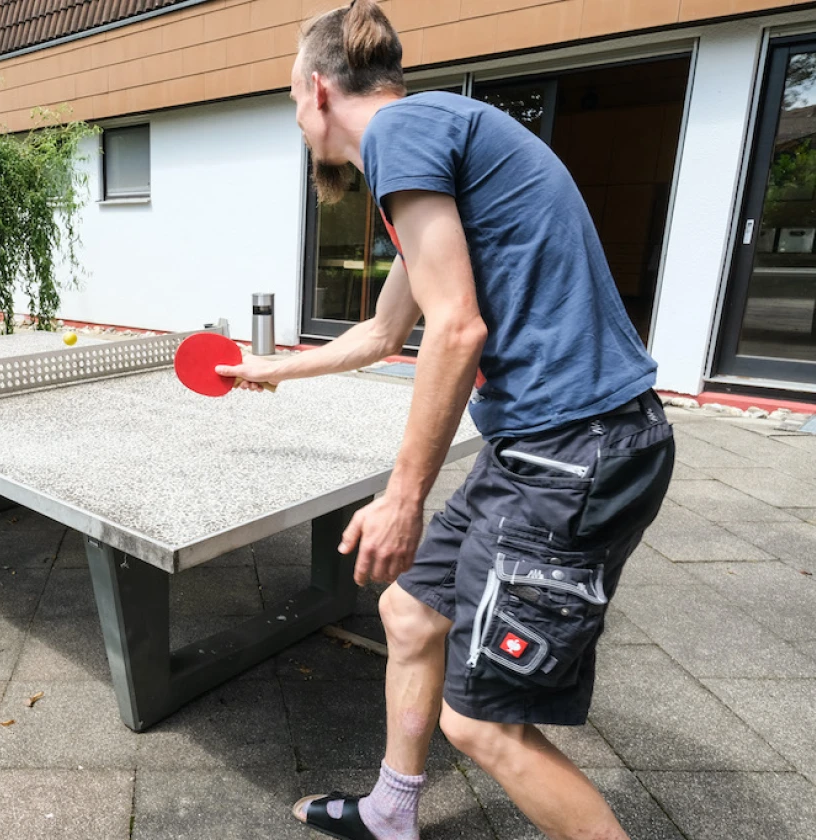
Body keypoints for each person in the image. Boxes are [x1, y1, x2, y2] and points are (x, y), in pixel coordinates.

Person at [221, 3, 675, 839]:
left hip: (577, 449)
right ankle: (392, 813)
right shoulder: (433, 141)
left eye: (290, 96)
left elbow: (458, 328)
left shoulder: (404, 136)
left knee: (483, 726)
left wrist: (402, 497)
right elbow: (385, 332)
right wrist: (270, 369)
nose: (294, 117)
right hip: (539, 444)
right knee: (408, 612)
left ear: (319, 89)